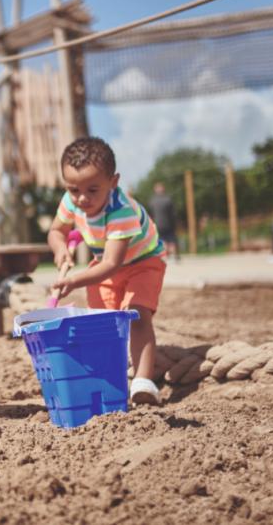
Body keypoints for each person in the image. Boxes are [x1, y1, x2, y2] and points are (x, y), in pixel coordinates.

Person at [47, 137, 166, 406]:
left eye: (92, 189)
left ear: (113, 182)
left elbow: (113, 263)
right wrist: (60, 249)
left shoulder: (120, 211)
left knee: (136, 314)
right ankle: (110, 373)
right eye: (73, 189)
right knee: (103, 320)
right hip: (104, 265)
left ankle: (143, 382)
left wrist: (73, 280)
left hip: (143, 262)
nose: (82, 198)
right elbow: (56, 230)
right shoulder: (71, 200)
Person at [148, 182, 179, 260]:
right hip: (169, 223)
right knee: (172, 240)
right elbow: (173, 214)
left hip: (157, 224)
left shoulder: (152, 201)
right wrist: (175, 223)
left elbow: (150, 213)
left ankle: (166, 255)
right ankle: (175, 256)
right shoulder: (168, 199)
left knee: (163, 240)